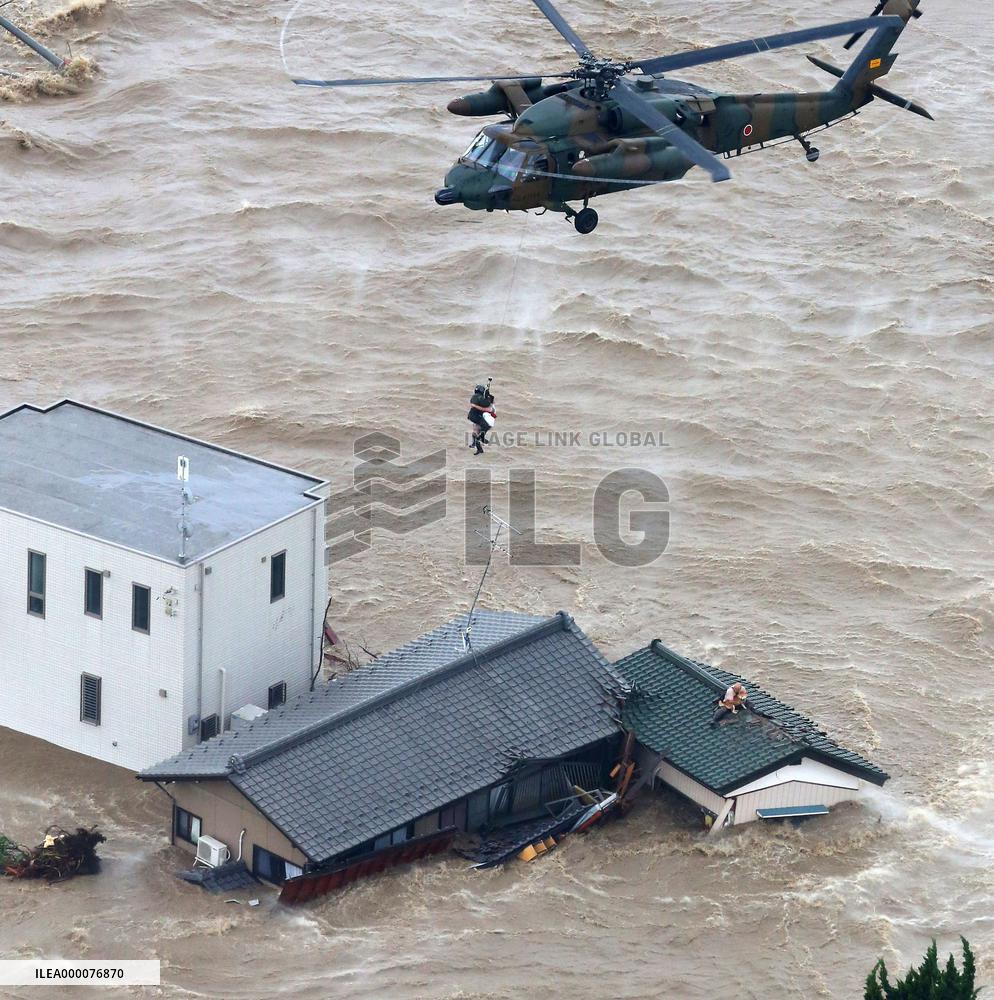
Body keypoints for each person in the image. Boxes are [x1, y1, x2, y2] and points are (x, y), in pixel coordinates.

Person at [468, 380, 495, 456]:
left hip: (473, 416)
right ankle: (481, 441)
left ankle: (475, 445)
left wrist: (487, 395)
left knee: (476, 431)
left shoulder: (474, 397)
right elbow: (487, 404)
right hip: (476, 416)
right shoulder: (479, 397)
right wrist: (488, 397)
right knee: (485, 426)